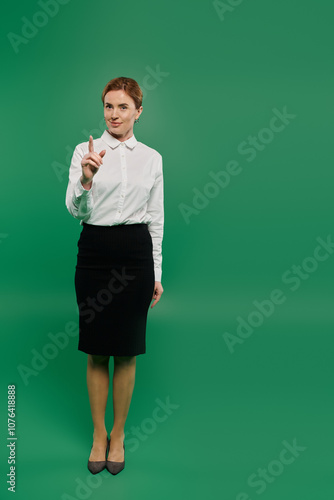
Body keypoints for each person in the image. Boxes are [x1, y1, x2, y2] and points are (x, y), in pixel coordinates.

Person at [65, 76, 164, 475]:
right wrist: (86, 179)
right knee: (96, 349)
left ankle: (118, 435)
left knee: (125, 349)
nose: (114, 114)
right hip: (94, 253)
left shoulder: (152, 158)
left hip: (136, 255)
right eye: (108, 106)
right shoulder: (83, 151)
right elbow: (76, 212)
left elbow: (155, 217)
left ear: (138, 111)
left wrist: (157, 270)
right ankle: (97, 434)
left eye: (123, 107)